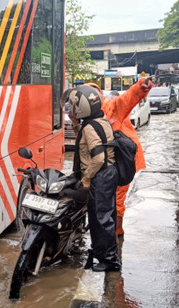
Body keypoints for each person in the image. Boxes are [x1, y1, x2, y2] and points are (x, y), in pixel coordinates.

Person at [85, 77, 154, 250]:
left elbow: (126, 99)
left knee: (116, 200)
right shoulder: (84, 116)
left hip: (123, 162)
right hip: (105, 162)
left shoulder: (110, 107)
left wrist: (140, 87)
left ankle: (116, 235)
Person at [63, 85, 121, 272]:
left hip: (101, 175)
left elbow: (98, 157)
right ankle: (100, 252)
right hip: (108, 173)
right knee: (101, 217)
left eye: (73, 106)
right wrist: (74, 122)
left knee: (102, 219)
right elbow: (88, 137)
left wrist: (87, 178)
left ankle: (110, 261)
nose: (71, 109)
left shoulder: (89, 127)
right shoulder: (98, 119)